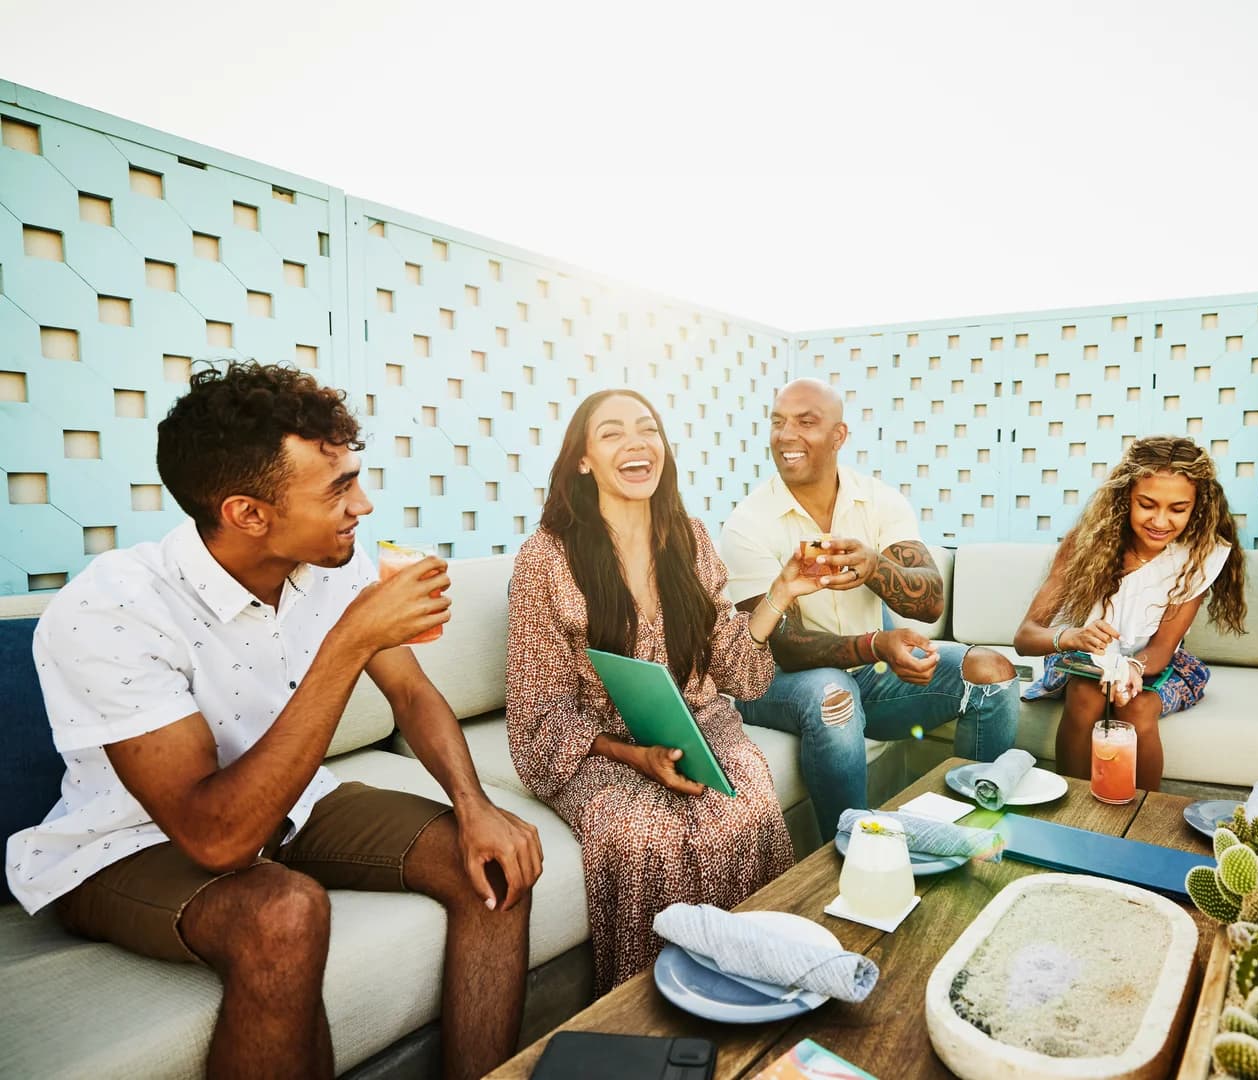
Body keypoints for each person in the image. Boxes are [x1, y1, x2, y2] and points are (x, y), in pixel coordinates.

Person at [5, 361, 543, 1080]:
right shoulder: (110, 610)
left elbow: (411, 695)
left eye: (355, 474)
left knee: (496, 860)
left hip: (296, 803)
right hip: (128, 845)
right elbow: (218, 838)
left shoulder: (338, 562)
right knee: (281, 912)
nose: (365, 505)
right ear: (248, 514)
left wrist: (474, 807)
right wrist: (350, 641)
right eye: (338, 489)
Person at [505, 388, 821, 992]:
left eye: (647, 428)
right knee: (644, 835)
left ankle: (759, 984)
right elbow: (538, 713)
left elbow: (736, 672)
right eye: (612, 432)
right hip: (599, 746)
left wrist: (779, 595)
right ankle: (655, 1006)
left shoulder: (689, 538)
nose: (636, 443)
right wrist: (636, 756)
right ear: (582, 459)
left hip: (699, 722)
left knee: (742, 808)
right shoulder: (545, 559)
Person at [719, 378, 1019, 842]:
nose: (785, 435)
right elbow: (784, 647)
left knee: (991, 670)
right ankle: (851, 852)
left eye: (806, 422)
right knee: (832, 693)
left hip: (866, 673)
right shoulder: (748, 523)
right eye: (778, 422)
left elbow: (929, 599)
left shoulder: (877, 501)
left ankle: (968, 834)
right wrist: (876, 643)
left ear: (839, 436)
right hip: (772, 683)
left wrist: (874, 567)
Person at [1014, 435, 1247, 788]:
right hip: (1085, 660)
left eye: (1178, 509)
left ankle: (1142, 821)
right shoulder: (1086, 543)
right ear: (1125, 498)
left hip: (1154, 664)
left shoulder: (1199, 556)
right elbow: (1026, 637)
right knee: (1084, 696)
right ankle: (1074, 815)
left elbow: (1162, 649)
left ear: (1197, 506)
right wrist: (1072, 636)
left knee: (1135, 709)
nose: (1161, 520)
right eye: (1147, 504)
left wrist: (1132, 669)